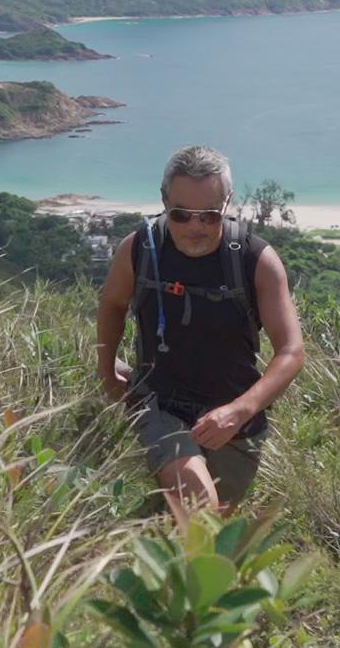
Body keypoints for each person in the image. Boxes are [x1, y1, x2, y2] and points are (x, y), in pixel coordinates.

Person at [95, 145, 305, 525]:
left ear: (227, 203)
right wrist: (106, 371)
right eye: (181, 214)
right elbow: (112, 304)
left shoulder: (255, 260)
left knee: (210, 528)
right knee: (199, 506)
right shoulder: (140, 250)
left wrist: (239, 410)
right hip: (161, 406)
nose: (195, 227)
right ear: (164, 202)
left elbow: (291, 351)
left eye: (209, 215)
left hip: (235, 422)